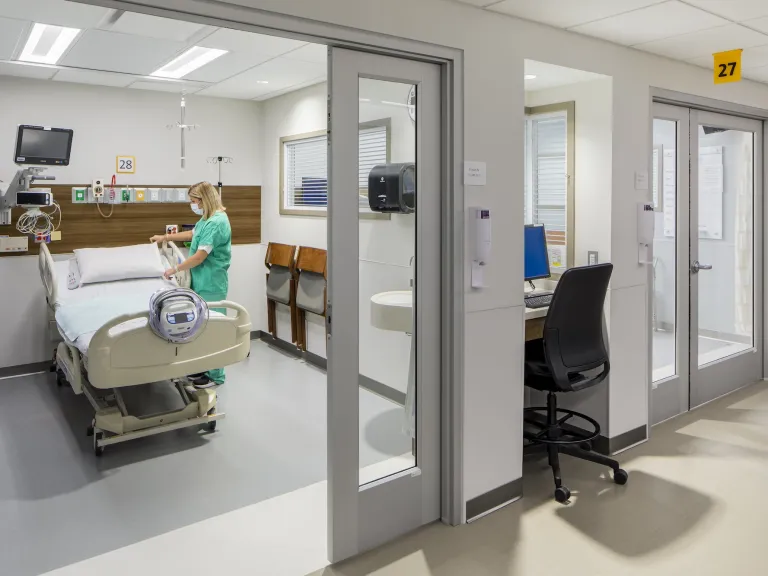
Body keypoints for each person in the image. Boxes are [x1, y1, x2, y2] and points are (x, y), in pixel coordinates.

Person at [151, 181, 232, 388]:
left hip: (212, 282)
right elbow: (191, 234)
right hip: (200, 280)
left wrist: (174, 269)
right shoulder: (206, 219)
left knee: (213, 329)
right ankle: (204, 368)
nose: (192, 204)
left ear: (204, 199)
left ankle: (216, 375)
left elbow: (198, 257)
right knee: (201, 327)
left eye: (193, 201)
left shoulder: (217, 222)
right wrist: (165, 236)